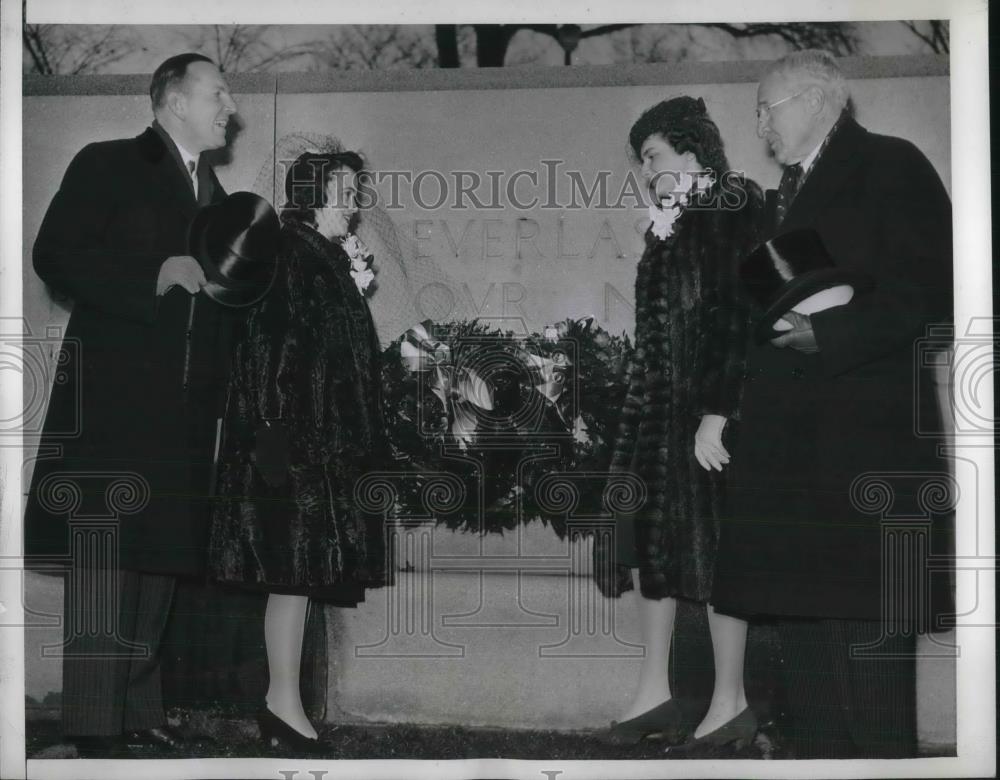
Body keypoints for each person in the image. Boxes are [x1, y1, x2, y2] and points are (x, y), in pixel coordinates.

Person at [711, 50, 954, 758]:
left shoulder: (892, 165)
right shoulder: (785, 191)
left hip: (863, 457)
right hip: (794, 466)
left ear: (817, 100)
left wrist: (830, 333)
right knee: (809, 655)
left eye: (767, 108)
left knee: (870, 646)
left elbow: (932, 290)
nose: (758, 124)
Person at [24, 54, 237, 757]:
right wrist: (155, 274)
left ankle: (139, 711)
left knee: (158, 561)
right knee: (106, 558)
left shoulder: (213, 189)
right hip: (114, 404)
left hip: (179, 412)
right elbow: (55, 254)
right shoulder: (107, 163)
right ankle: (91, 725)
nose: (228, 105)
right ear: (174, 100)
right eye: (217, 92)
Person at [595, 96, 763, 748]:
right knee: (656, 559)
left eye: (653, 155)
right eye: (641, 159)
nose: (647, 170)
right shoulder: (670, 223)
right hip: (663, 423)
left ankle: (731, 703)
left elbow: (736, 318)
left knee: (719, 560)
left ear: (691, 149)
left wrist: (717, 415)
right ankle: (654, 693)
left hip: (709, 422)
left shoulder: (730, 206)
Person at [210, 150, 389, 753]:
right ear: (313, 193)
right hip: (292, 443)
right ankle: (281, 704)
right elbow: (270, 344)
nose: (355, 203)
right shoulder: (292, 253)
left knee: (297, 577)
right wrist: (272, 435)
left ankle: (281, 705)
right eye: (345, 190)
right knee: (290, 574)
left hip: (313, 443)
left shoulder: (319, 255)